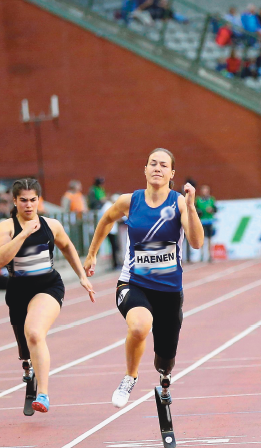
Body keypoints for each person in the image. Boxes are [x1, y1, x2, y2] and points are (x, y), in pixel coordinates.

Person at [83, 148, 204, 410]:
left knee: (165, 359)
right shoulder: (130, 201)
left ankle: (164, 378)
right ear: (145, 170)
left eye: (163, 165)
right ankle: (130, 377)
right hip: (133, 283)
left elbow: (196, 242)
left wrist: (192, 208)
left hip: (169, 291)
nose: (157, 168)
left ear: (171, 173)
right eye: (153, 163)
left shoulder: (179, 203)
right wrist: (92, 253)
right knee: (139, 326)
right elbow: (106, 220)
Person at [0, 178, 95, 414]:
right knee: (25, 349)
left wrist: (81, 275)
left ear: (39, 200)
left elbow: (67, 246)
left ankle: (44, 394)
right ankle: (29, 369)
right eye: (23, 201)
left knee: (36, 333)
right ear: (15, 201)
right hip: (18, 291)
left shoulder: (51, 224)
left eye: (33, 200)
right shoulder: (6, 227)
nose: (29, 206)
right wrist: (23, 234)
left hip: (48, 286)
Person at [99, 194, 124, 269]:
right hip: (110, 230)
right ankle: (115, 264)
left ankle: (116, 263)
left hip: (111, 229)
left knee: (114, 247)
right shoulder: (108, 206)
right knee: (114, 247)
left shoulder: (108, 205)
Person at [195, 185, 218, 262]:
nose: (205, 192)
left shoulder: (211, 199)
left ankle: (210, 255)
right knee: (201, 239)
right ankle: (202, 255)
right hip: (201, 222)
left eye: (206, 190)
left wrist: (212, 210)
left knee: (209, 239)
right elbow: (195, 210)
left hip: (210, 221)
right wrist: (200, 212)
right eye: (203, 190)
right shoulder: (198, 200)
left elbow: (215, 209)